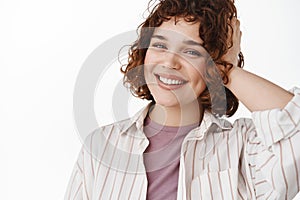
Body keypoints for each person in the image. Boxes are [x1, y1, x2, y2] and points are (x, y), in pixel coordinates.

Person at [65, 0, 300, 199]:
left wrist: (227, 68)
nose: (169, 63)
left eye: (191, 52)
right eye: (160, 45)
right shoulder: (101, 146)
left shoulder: (242, 147)